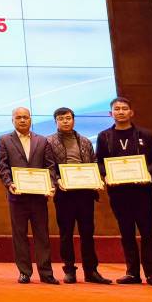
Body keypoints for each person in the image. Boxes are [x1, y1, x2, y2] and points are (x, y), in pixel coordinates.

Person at [96, 97, 152, 286]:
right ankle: (132, 273)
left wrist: (146, 172)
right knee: (126, 233)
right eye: (116, 109)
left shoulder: (146, 135)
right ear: (111, 113)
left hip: (143, 193)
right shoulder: (104, 136)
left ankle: (151, 274)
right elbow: (99, 162)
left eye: (124, 108)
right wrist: (106, 174)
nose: (120, 112)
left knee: (147, 233)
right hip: (119, 193)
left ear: (131, 112)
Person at [46, 107, 110, 284]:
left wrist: (96, 179)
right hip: (64, 193)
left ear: (73, 120)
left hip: (85, 193)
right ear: (56, 122)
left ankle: (91, 271)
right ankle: (69, 270)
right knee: (66, 233)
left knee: (87, 233)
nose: (65, 121)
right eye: (61, 119)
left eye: (68, 118)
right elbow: (48, 166)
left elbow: (94, 162)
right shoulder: (49, 141)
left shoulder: (85, 141)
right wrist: (57, 180)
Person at [0, 107, 58, 284]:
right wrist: (9, 183)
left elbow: (50, 166)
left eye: (25, 117)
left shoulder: (42, 140)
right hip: (17, 196)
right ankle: (24, 272)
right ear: (12, 120)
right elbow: (3, 166)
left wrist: (51, 184)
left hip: (39, 196)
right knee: (19, 235)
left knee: (42, 235)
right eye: (18, 117)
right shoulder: (4, 140)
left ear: (30, 119)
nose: (22, 120)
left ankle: (46, 273)